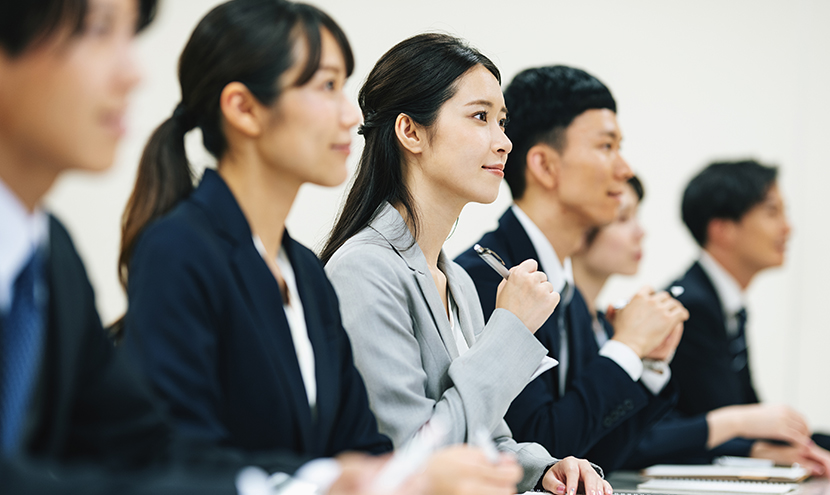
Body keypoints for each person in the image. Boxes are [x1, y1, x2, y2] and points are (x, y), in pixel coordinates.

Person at [118, 2, 522, 495]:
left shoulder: (305, 273)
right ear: (244, 109)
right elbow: (179, 461)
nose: (350, 114)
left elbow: (364, 451)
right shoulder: (179, 251)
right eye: (326, 86)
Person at [0, 0, 307, 492]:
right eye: (98, 31)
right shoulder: (176, 248)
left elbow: (143, 449)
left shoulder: (49, 255)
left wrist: (326, 482)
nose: (133, 73)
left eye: (130, 35)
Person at [322, 34, 611, 495]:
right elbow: (412, 458)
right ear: (410, 131)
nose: (504, 143)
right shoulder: (364, 270)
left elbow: (484, 437)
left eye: (502, 121)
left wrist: (542, 467)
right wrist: (512, 329)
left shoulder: (454, 277)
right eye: (481, 117)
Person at [455, 65, 688, 472]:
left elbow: (596, 454)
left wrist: (646, 362)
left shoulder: (567, 288)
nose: (624, 169)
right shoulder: (482, 277)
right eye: (606, 146)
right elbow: (538, 448)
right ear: (545, 166)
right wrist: (626, 346)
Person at [662, 160, 830, 474]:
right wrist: (765, 448)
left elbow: (751, 414)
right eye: (772, 212)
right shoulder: (690, 308)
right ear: (722, 229)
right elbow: (719, 419)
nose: (787, 227)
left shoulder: (722, 303)